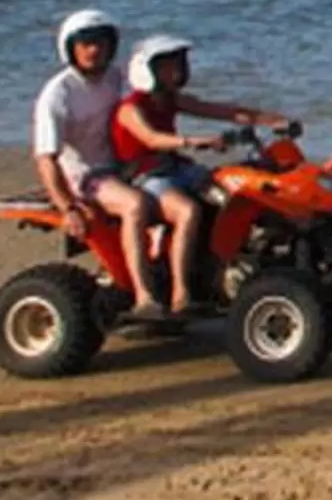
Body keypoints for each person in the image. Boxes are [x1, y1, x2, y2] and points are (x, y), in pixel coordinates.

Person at [110, 34, 291, 322]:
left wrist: (270, 120)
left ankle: (223, 266)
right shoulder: (130, 109)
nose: (177, 72)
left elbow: (221, 110)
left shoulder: (171, 99)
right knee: (187, 211)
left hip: (176, 167)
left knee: (235, 191)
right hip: (147, 176)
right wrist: (196, 141)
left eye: (179, 65)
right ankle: (181, 295)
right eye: (169, 67)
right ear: (149, 71)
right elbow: (152, 139)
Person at [30, 9, 158, 319]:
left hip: (121, 167)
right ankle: (145, 297)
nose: (93, 50)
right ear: (70, 47)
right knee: (136, 205)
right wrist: (68, 207)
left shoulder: (116, 79)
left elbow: (152, 104)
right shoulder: (58, 93)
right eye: (85, 43)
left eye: (100, 43)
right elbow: (45, 157)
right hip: (84, 177)